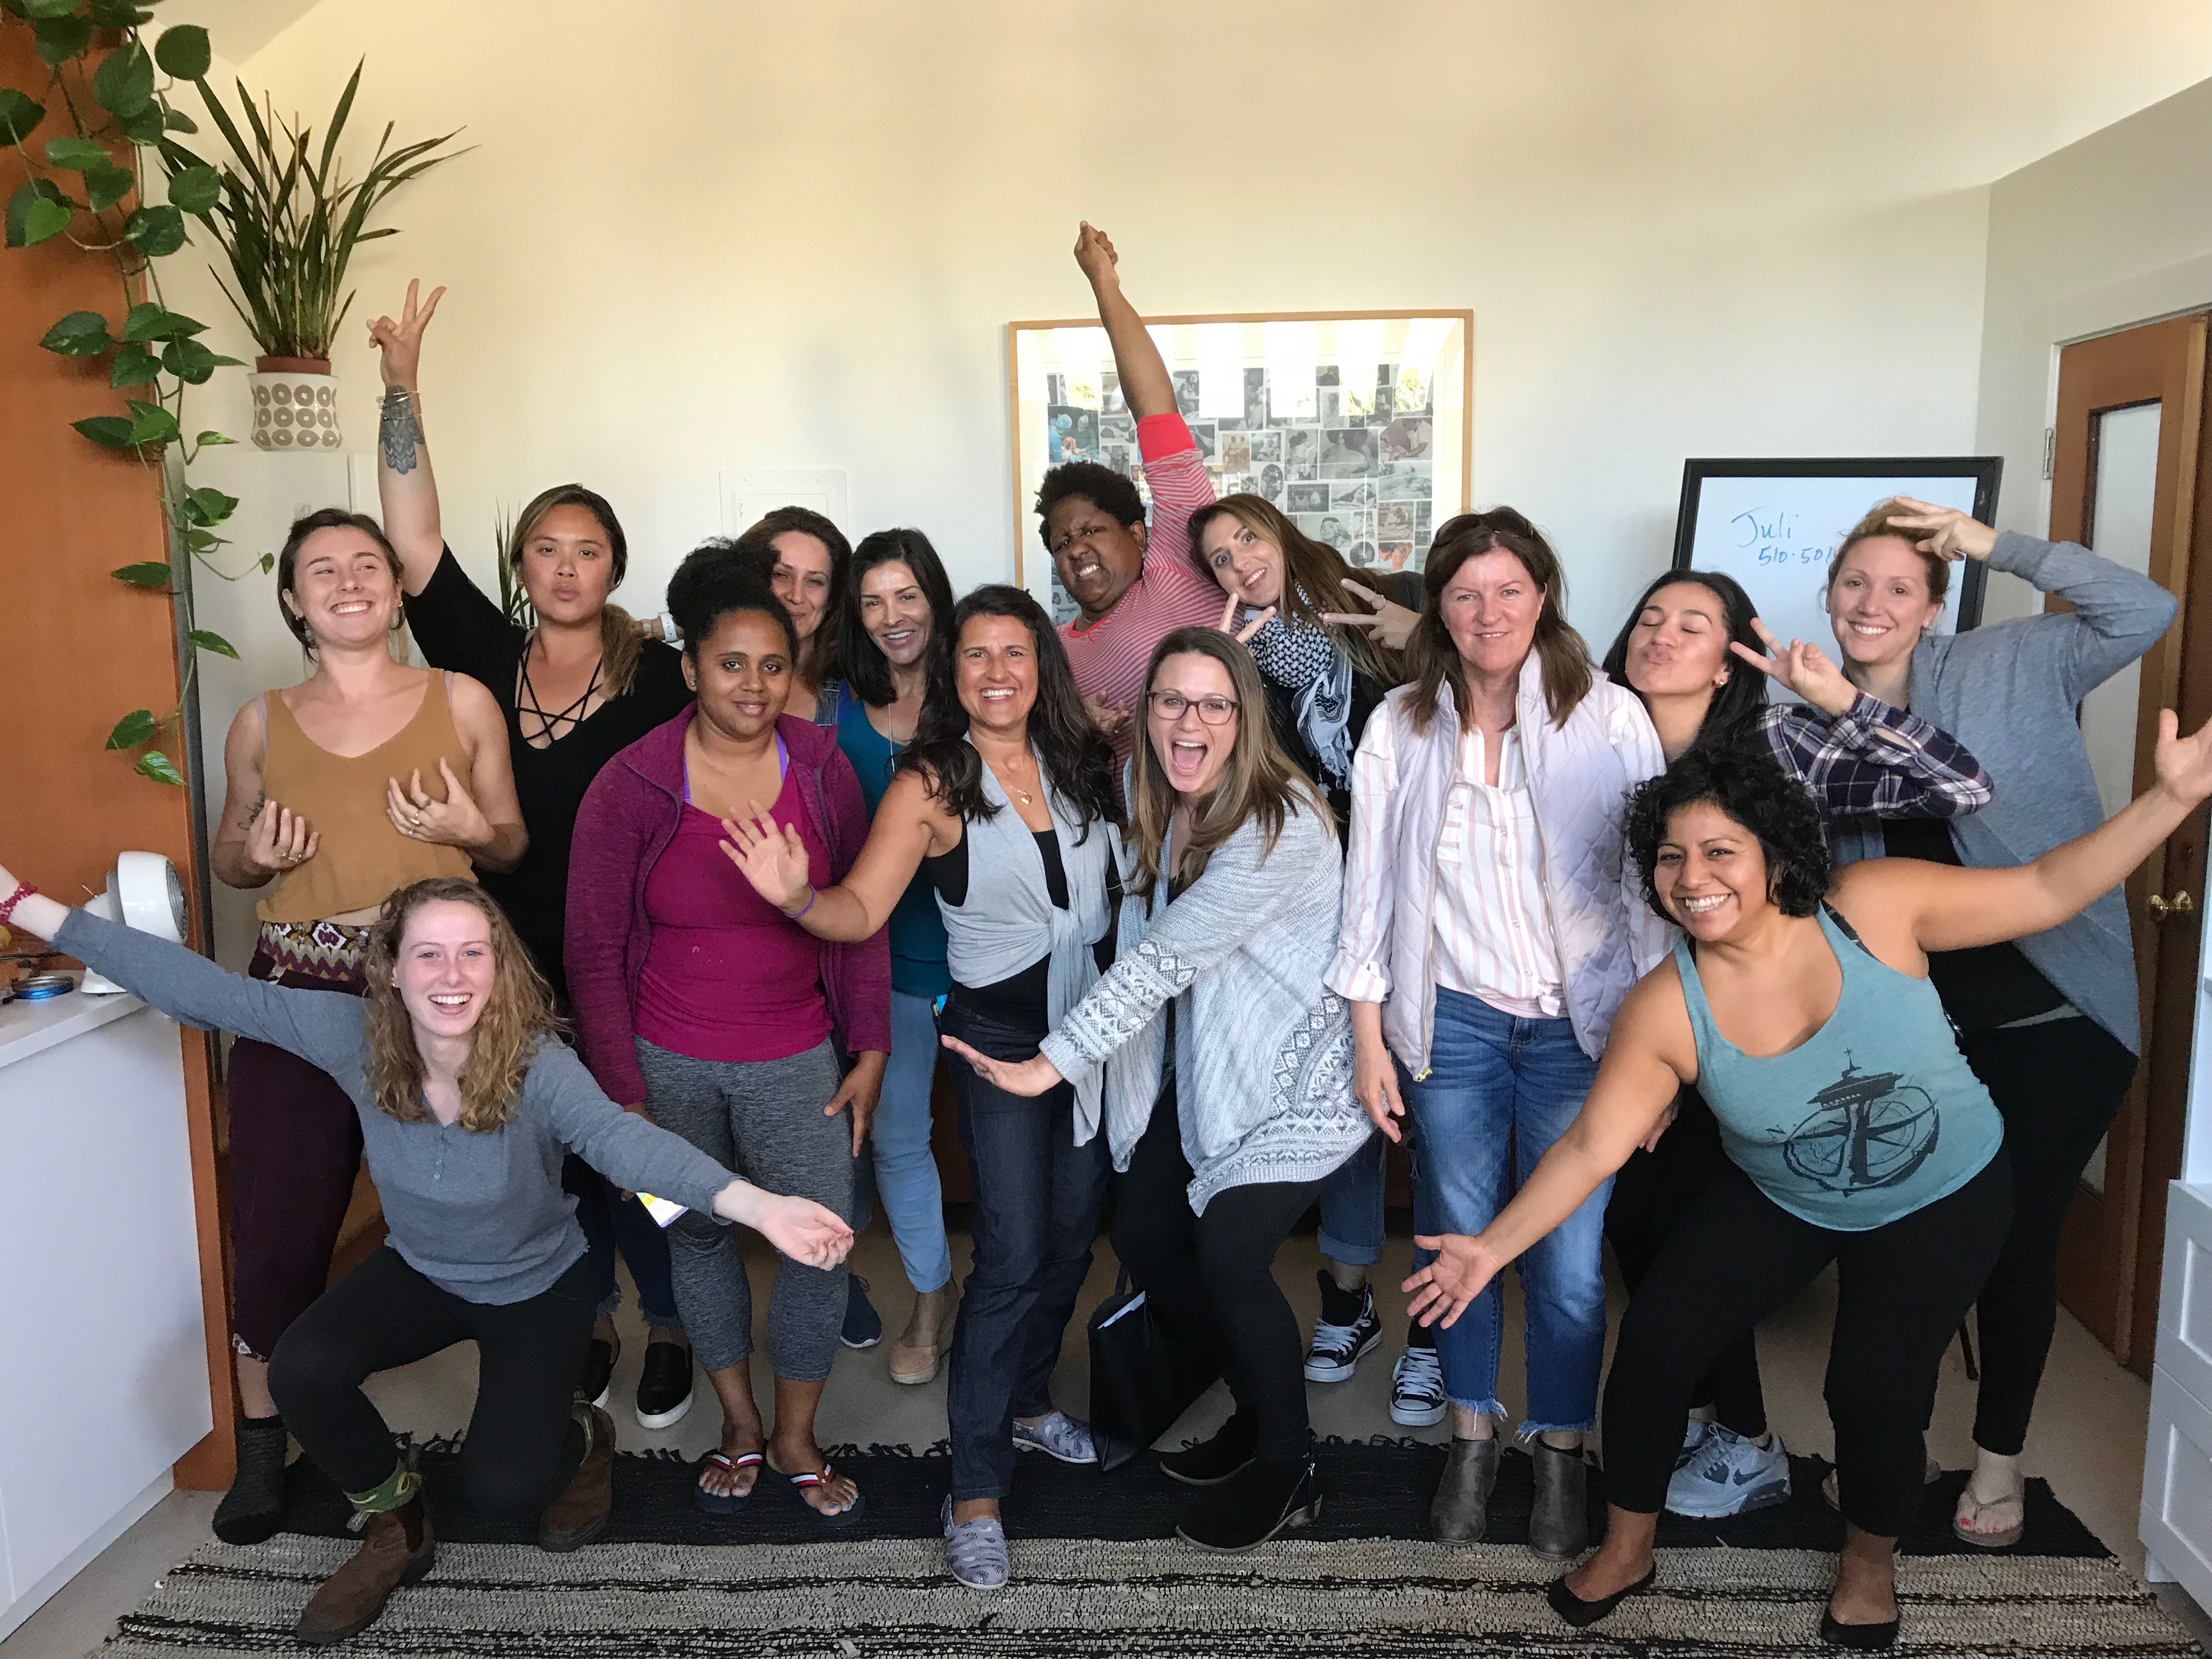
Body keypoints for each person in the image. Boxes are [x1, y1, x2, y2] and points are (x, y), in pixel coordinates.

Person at [1406, 716, 2212, 1648]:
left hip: (1943, 1188)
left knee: (1871, 1387)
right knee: (1658, 1339)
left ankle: (1868, 1564)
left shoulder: (1872, 905)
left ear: (1773, 852)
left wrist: (2170, 797)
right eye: (1669, 856)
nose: (1691, 876)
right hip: (1785, 1189)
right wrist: (1488, 1247)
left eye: (1718, 849)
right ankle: (1627, 1545)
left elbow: (2043, 887)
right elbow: (1593, 1144)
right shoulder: (1666, 1004)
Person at [0, 870, 851, 1645]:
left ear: (500, 967)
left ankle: (581, 1434)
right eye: (430, 955)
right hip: (420, 1269)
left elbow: (623, 1142)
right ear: (393, 971)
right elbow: (206, 991)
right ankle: (396, 1520)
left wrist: (759, 1204)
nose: (452, 976)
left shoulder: (537, 1064)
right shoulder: (353, 1034)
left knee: (505, 1490)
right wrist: (20, 904)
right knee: (302, 1369)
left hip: (535, 1285)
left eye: (473, 953)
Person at [721, 585, 1120, 1592]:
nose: (996, 671)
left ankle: (1028, 1402)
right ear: (953, 673)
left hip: (1095, 1032)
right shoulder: (931, 781)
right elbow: (858, 909)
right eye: (976, 654)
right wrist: (796, 895)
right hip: (995, 1042)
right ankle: (975, 1489)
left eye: (1014, 652)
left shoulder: (1084, 762)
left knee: (1075, 1232)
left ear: (1043, 667)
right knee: (1016, 1249)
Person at [940, 628, 1373, 1551]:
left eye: (1214, 702)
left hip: (1296, 1076)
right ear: (1147, 713)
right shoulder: (1150, 790)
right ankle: (1261, 1402)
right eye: (1171, 699)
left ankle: (1287, 1462)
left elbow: (1164, 959)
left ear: (1244, 718)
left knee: (1227, 1252)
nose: (1191, 719)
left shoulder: (1279, 820)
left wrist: (1044, 1063)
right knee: (1140, 1232)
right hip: (1203, 1067)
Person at [1594, 566, 1994, 1516]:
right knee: (1637, 1233)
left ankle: (1746, 1438)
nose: (1661, 633)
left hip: (1773, 1045)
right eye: (1648, 616)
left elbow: (1961, 786)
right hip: (1648, 1034)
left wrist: (1838, 698)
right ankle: (1697, 1410)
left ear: (1733, 655)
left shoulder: (1777, 742)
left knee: (1695, 1239)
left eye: (1693, 622)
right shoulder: (1597, 734)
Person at [370, 281, 699, 1431]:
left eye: (590, 550)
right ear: (522, 565)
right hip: (503, 959)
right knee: (545, 1158)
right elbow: (411, 544)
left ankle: (669, 1320)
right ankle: (589, 1322)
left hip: (630, 959)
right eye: (546, 550)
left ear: (615, 567)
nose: (567, 567)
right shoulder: (485, 656)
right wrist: (400, 386)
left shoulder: (662, 677)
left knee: (633, 1149)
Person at [1819, 498, 2177, 1546]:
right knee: (1899, 1240)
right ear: (1828, 596)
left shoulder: (2012, 664)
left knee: (2014, 1241)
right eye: (1853, 582)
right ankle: (1892, 1444)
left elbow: (2143, 609)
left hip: (2057, 1017)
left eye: (1898, 586)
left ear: (1932, 607)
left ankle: (2000, 1456)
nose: (1871, 602)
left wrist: (1992, 545)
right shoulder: (1808, 710)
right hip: (1918, 1036)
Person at [1329, 507, 1669, 1558]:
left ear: (1544, 597)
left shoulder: (1607, 716)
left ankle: (1558, 1445)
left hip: (1582, 1033)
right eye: (1466, 592)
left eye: (1509, 590)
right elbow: (1370, 889)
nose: (1488, 612)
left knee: (1566, 1265)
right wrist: (1366, 1036)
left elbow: (1652, 890)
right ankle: (1472, 1435)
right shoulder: (1400, 723)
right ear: (1438, 605)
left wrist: (1658, 1068)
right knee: (1454, 1243)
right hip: (1456, 1028)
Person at [205, 504, 526, 1549]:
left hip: (435, 1003)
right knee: (279, 1222)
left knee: (479, 1210)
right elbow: (230, 856)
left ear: (395, 589)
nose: (347, 581)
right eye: (320, 569)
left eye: (366, 565)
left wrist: (470, 832)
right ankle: (266, 1442)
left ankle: (526, 1413)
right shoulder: (259, 719)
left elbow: (513, 841)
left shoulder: (462, 698)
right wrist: (257, 855)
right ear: (294, 599)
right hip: (296, 996)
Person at [565, 562, 890, 1526]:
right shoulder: (630, 783)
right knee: (694, 1235)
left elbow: (859, 917)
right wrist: (621, 1092)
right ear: (691, 669)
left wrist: (868, 1047)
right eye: (730, 662)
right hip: (664, 1063)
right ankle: (740, 1420)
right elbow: (591, 946)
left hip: (799, 1059)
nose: (753, 683)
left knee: (819, 1245)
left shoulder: (824, 767)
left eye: (773, 664)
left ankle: (795, 1431)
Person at [1187, 495, 1434, 1419]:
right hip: (1331, 905)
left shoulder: (1388, 600)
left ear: (1280, 530)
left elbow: (1486, 691)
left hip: (1431, 898)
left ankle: (1436, 1324)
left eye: (1247, 536)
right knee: (1350, 1097)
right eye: (1217, 557)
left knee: (1435, 1105)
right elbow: (1243, 788)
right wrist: (1229, 676)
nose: (1239, 562)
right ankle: (1347, 1298)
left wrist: (1422, 633)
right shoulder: (1246, 665)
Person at [830, 528, 961, 1383]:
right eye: (873, 601)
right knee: (896, 1141)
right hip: (884, 966)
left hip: (991, 967)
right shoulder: (829, 707)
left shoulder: (982, 691)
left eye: (906, 596)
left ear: (934, 599)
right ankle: (929, 1299)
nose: (892, 618)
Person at [1047, 224, 1226, 786]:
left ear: (1139, 534)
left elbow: (1154, 409)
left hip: (1237, 827)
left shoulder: (1178, 562)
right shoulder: (1051, 650)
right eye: (1061, 542)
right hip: (1141, 857)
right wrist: (1079, 729)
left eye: (1091, 530)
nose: (1076, 549)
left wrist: (1105, 287)